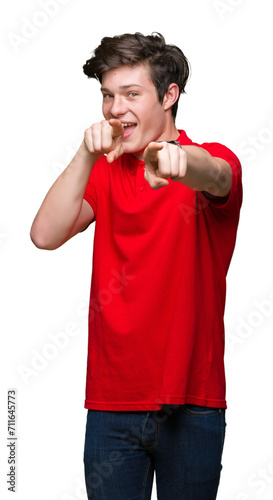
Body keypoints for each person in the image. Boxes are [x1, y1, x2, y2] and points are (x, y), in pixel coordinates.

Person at [30, 32, 242, 500]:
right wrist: (86, 153)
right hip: (111, 403)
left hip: (195, 404)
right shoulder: (104, 170)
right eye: (108, 94)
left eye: (131, 94)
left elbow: (218, 174)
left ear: (169, 96)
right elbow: (45, 235)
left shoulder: (208, 162)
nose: (114, 108)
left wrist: (180, 162)